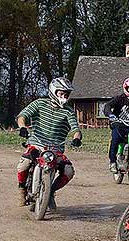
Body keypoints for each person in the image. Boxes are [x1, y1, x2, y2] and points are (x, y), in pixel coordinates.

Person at [16, 77, 82, 207]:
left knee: (68, 171)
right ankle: (22, 190)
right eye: (61, 93)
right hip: (36, 144)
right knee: (23, 165)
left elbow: (76, 129)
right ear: (53, 91)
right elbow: (22, 116)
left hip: (55, 149)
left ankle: (50, 191)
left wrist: (76, 138)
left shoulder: (69, 111)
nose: (64, 96)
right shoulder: (39, 103)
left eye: (66, 94)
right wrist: (23, 127)